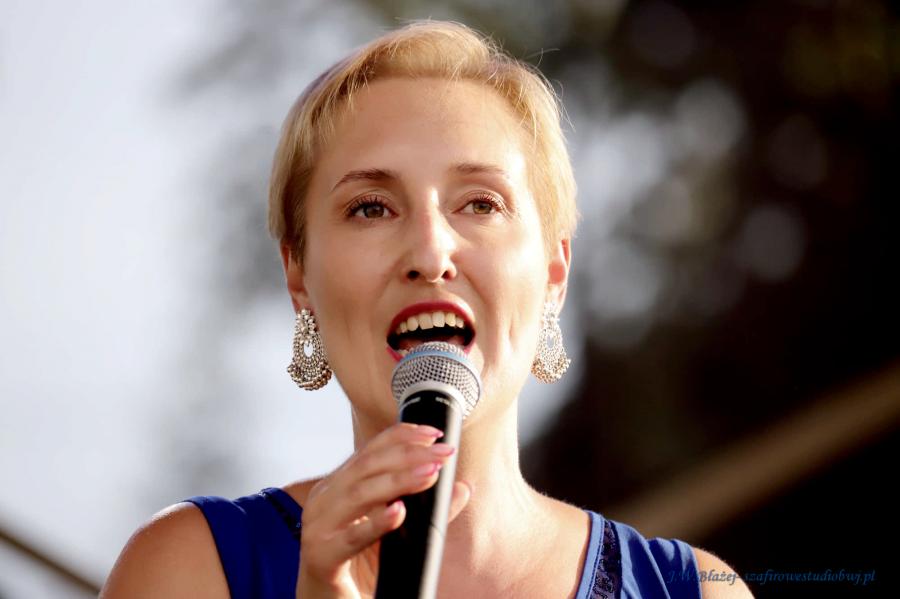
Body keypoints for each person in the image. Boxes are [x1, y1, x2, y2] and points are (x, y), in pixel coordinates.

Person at [101, 20, 753, 599]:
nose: (430, 253)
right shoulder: (188, 569)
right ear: (298, 276)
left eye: (480, 203)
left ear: (554, 272)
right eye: (371, 208)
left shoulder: (695, 591)